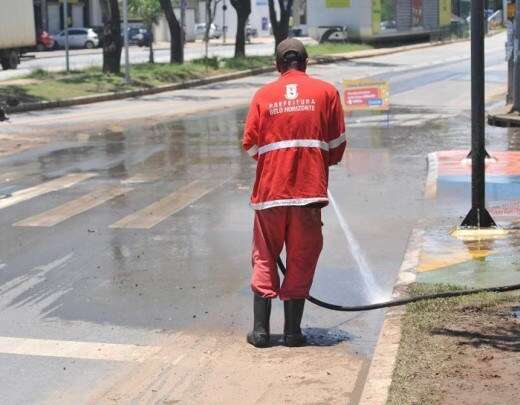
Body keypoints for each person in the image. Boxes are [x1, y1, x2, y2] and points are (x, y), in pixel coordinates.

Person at [242, 38, 347, 348]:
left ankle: (260, 332)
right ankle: (292, 333)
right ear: (306, 63)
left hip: (270, 194)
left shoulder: (263, 95)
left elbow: (250, 144)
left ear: (278, 65)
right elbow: (338, 146)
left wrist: (276, 162)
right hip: (308, 194)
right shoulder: (326, 92)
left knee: (264, 258)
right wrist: (314, 161)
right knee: (301, 258)